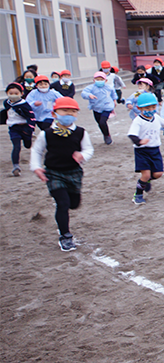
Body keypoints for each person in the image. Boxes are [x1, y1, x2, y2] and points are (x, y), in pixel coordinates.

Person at [28, 97, 94, 251]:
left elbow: (88, 149)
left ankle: (67, 216)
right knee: (62, 203)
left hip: (74, 172)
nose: (68, 114)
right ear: (54, 113)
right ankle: (65, 236)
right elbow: (37, 151)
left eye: (72, 111)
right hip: (53, 173)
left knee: (74, 203)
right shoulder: (46, 134)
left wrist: (82, 156)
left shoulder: (81, 132)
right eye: (64, 111)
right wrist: (36, 167)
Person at [128, 93, 164, 205]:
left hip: (155, 150)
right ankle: (138, 195)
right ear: (139, 108)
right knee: (145, 175)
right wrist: (139, 141)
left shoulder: (156, 117)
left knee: (158, 173)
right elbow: (132, 135)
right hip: (142, 151)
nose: (151, 110)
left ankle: (147, 181)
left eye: (153, 107)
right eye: (147, 108)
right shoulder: (138, 121)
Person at [3, 82, 36, 176]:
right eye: (11, 93)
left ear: (21, 94)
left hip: (25, 127)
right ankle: (16, 166)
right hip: (13, 128)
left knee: (27, 144)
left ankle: (28, 140)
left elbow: (31, 116)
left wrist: (31, 128)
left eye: (16, 93)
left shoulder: (24, 104)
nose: (13, 96)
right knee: (16, 146)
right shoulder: (6, 103)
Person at [79, 72, 116, 145]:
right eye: (97, 79)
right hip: (96, 108)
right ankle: (105, 133)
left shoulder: (108, 88)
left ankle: (107, 135)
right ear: (94, 80)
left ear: (105, 80)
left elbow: (113, 94)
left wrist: (114, 101)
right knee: (99, 122)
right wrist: (89, 95)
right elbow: (84, 93)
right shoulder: (91, 87)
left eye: (101, 79)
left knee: (103, 121)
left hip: (107, 107)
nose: (99, 81)